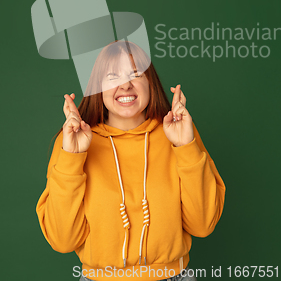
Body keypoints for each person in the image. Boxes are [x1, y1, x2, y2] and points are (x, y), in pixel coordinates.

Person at [36, 41, 226, 281]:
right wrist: (72, 158)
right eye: (112, 77)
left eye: (136, 75)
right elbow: (63, 240)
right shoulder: (71, 142)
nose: (125, 85)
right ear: (97, 88)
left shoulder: (179, 134)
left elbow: (202, 225)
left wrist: (185, 147)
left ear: (150, 83)